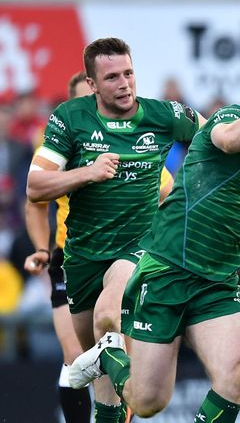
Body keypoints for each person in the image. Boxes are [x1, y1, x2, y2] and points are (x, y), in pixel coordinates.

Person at [68, 49, 240, 423]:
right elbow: (228, 140)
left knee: (237, 372)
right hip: (167, 270)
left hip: (217, 281)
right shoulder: (232, 117)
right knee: (148, 402)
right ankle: (108, 357)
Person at [26, 38, 204, 423]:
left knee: (110, 315)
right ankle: (129, 394)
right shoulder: (69, 118)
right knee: (101, 375)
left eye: (129, 73)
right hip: (82, 257)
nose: (124, 83)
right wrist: (88, 173)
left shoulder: (164, 115)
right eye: (112, 77)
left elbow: (218, 140)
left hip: (141, 247)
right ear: (92, 84)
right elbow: (35, 188)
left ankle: (138, 389)